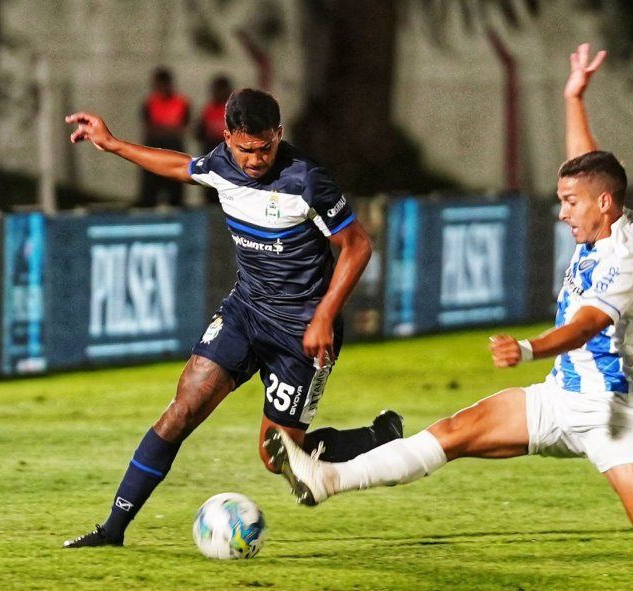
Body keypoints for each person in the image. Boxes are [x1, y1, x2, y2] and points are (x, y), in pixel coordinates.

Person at [264, 44, 633, 546]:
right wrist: (574, 97)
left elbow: (586, 325)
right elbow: (585, 167)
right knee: (452, 433)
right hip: (562, 396)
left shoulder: (625, 257)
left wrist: (528, 348)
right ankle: (325, 478)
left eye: (570, 204)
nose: (562, 213)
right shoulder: (608, 213)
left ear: (603, 204)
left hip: (613, 411)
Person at [62, 88, 403, 547]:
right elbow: (181, 167)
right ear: (227, 138)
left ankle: (380, 435)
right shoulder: (222, 164)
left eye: (266, 147)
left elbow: (358, 245)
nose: (257, 159)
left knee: (278, 456)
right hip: (245, 313)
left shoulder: (307, 180)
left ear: (279, 135)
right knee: (179, 412)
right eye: (246, 149)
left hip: (302, 333)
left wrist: (325, 316)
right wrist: (115, 143)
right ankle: (112, 531)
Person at [137, 67, 191, 207]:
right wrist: (168, 130)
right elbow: (149, 129)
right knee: (149, 195)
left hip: (174, 151)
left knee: (176, 195)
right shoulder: (149, 103)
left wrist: (164, 130)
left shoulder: (181, 102)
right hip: (153, 151)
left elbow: (182, 129)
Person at [195, 75, 233, 204]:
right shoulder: (208, 110)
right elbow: (198, 133)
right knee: (211, 196)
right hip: (212, 160)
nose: (218, 93)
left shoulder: (234, 111)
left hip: (230, 161)